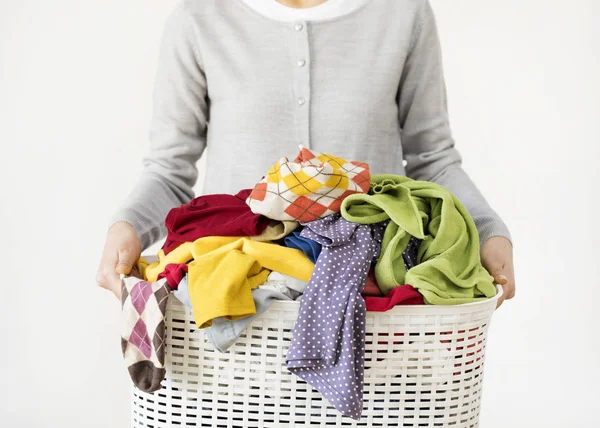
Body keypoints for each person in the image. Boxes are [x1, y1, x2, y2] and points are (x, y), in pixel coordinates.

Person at [96, 0, 515, 307]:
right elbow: (170, 170)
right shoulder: (200, 19)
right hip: (233, 299)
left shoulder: (402, 14)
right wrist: (127, 227)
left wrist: (487, 230)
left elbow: (433, 159)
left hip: (375, 300)